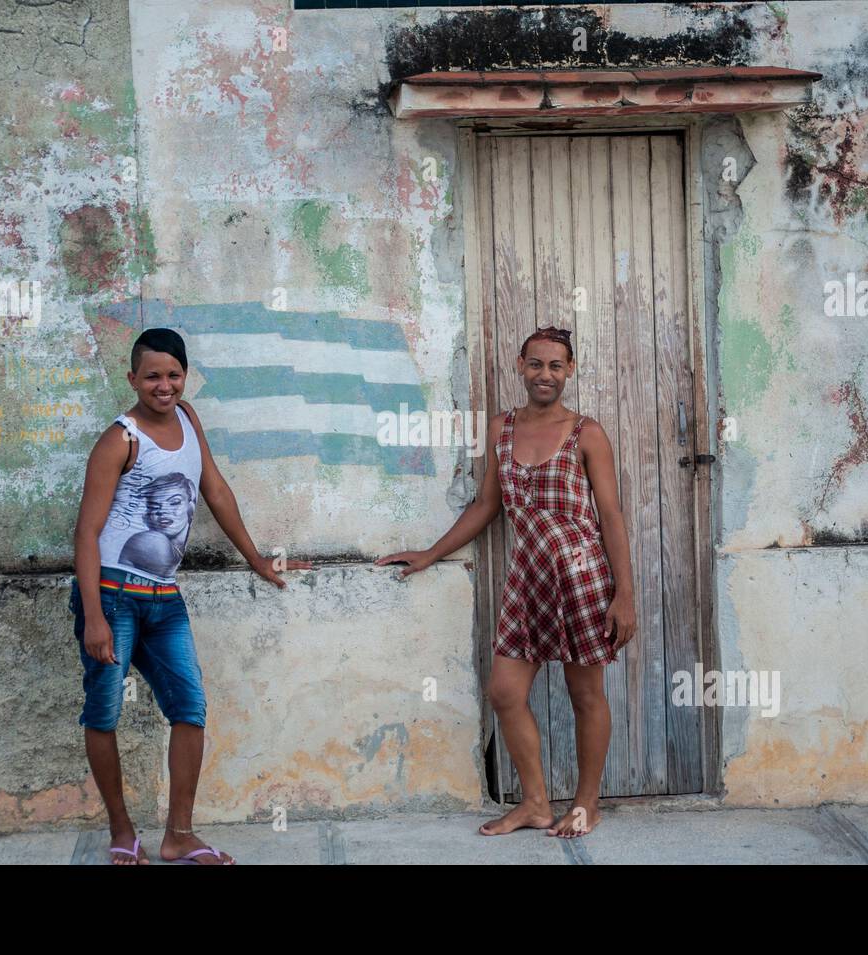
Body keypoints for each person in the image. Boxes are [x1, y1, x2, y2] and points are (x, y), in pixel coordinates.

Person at [375, 326, 636, 838]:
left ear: (570, 370)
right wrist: (431, 553)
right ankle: (536, 803)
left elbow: (610, 514)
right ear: (521, 366)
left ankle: (587, 804)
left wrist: (624, 593)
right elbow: (488, 505)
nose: (545, 375)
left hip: (582, 579)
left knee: (585, 694)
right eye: (536, 364)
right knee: (504, 692)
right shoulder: (501, 429)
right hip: (527, 579)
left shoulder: (588, 433)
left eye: (556, 366)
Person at [70, 327, 310, 864]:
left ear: (185, 377)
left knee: (189, 709)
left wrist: (257, 559)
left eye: (173, 375)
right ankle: (121, 829)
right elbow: (86, 532)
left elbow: (216, 490)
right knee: (104, 713)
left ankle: (179, 834)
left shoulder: (187, 419)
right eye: (152, 376)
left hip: (164, 596)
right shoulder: (120, 439)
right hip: (113, 594)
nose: (164, 386)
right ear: (132, 379)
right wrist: (93, 617)